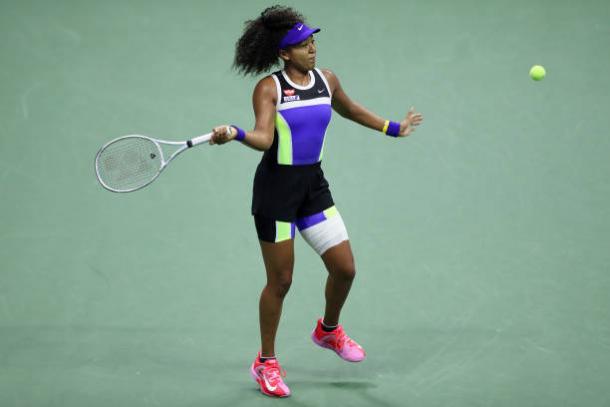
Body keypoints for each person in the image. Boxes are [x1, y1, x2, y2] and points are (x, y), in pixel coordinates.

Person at [209, 5, 423, 398]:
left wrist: (394, 128)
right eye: (303, 45)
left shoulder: (327, 80)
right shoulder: (269, 88)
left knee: (345, 269)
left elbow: (350, 109)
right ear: (284, 53)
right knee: (282, 281)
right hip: (275, 192)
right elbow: (263, 138)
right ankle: (266, 362)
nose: (312, 49)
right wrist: (235, 133)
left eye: (313, 42)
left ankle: (328, 331)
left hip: (313, 186)